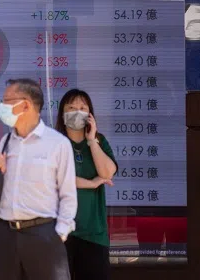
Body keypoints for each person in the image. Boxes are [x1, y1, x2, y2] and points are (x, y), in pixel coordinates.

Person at [0, 78, 77, 280]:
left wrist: (59, 234)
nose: (2, 107)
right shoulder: (6, 141)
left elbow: (68, 195)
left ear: (25, 104)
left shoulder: (57, 143)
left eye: (7, 101)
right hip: (6, 234)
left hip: (43, 233)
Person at [55, 89, 118, 280]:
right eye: (71, 107)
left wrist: (92, 141)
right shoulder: (53, 143)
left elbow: (107, 173)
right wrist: (91, 184)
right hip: (58, 233)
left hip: (94, 234)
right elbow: (55, 178)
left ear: (90, 114)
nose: (77, 111)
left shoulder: (100, 141)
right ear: (62, 112)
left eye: (82, 108)